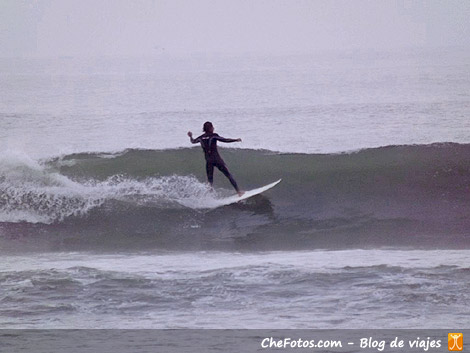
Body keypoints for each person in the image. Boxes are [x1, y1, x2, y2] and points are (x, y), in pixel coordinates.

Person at [188, 122, 244, 196]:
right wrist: (236, 140)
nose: (213, 128)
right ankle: (239, 192)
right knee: (228, 175)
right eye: (212, 127)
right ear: (210, 128)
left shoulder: (201, 137)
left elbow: (193, 141)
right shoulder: (213, 136)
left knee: (210, 181)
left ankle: (209, 197)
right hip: (217, 160)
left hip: (208, 161)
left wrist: (190, 136)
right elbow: (225, 140)